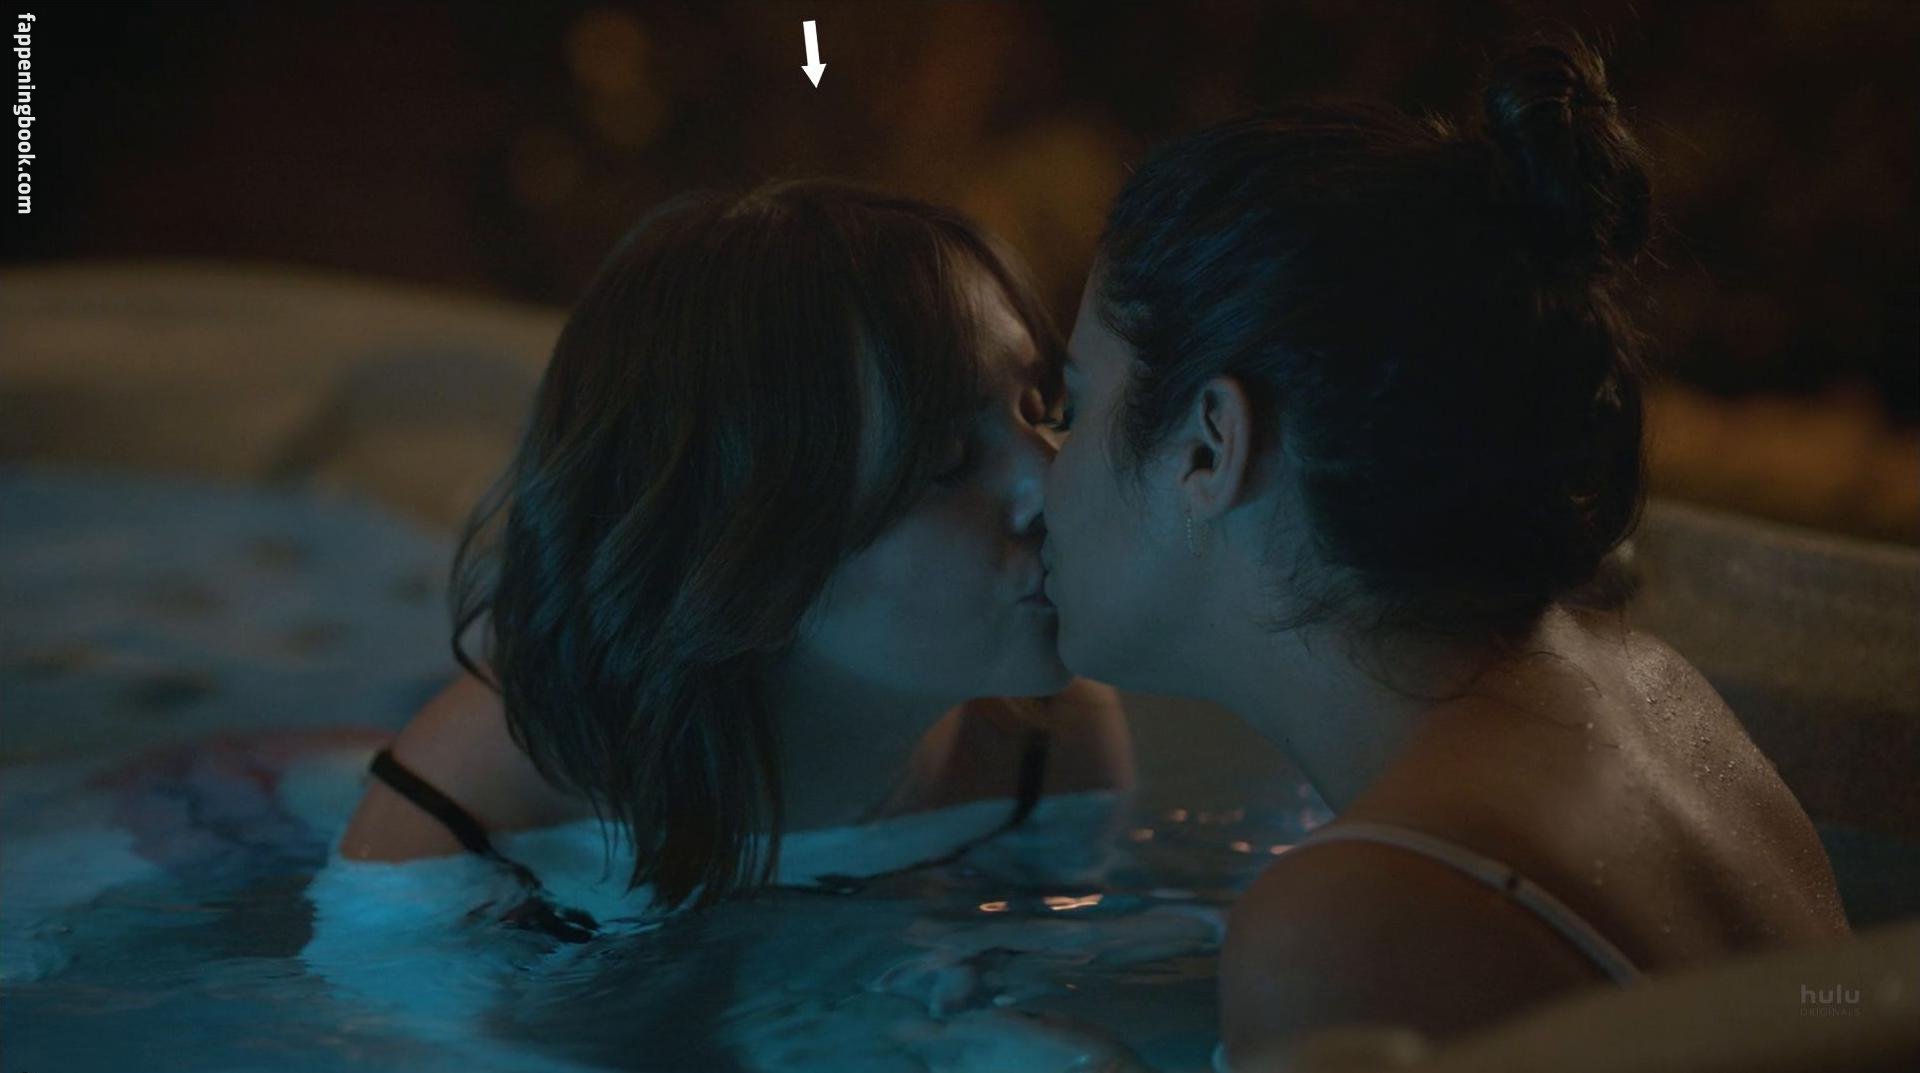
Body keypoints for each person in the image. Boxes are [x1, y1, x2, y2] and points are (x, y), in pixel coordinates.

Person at [1035, 32, 1850, 1069]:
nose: (1040, 465)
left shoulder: (1350, 921)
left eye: (1073, 405)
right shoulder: (1651, 687)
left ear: (1209, 445)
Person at [336, 179, 1133, 925]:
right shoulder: (480, 809)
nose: (1053, 481)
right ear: (747, 555)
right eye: (948, 459)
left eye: (1042, 409)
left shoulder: (1045, 739)